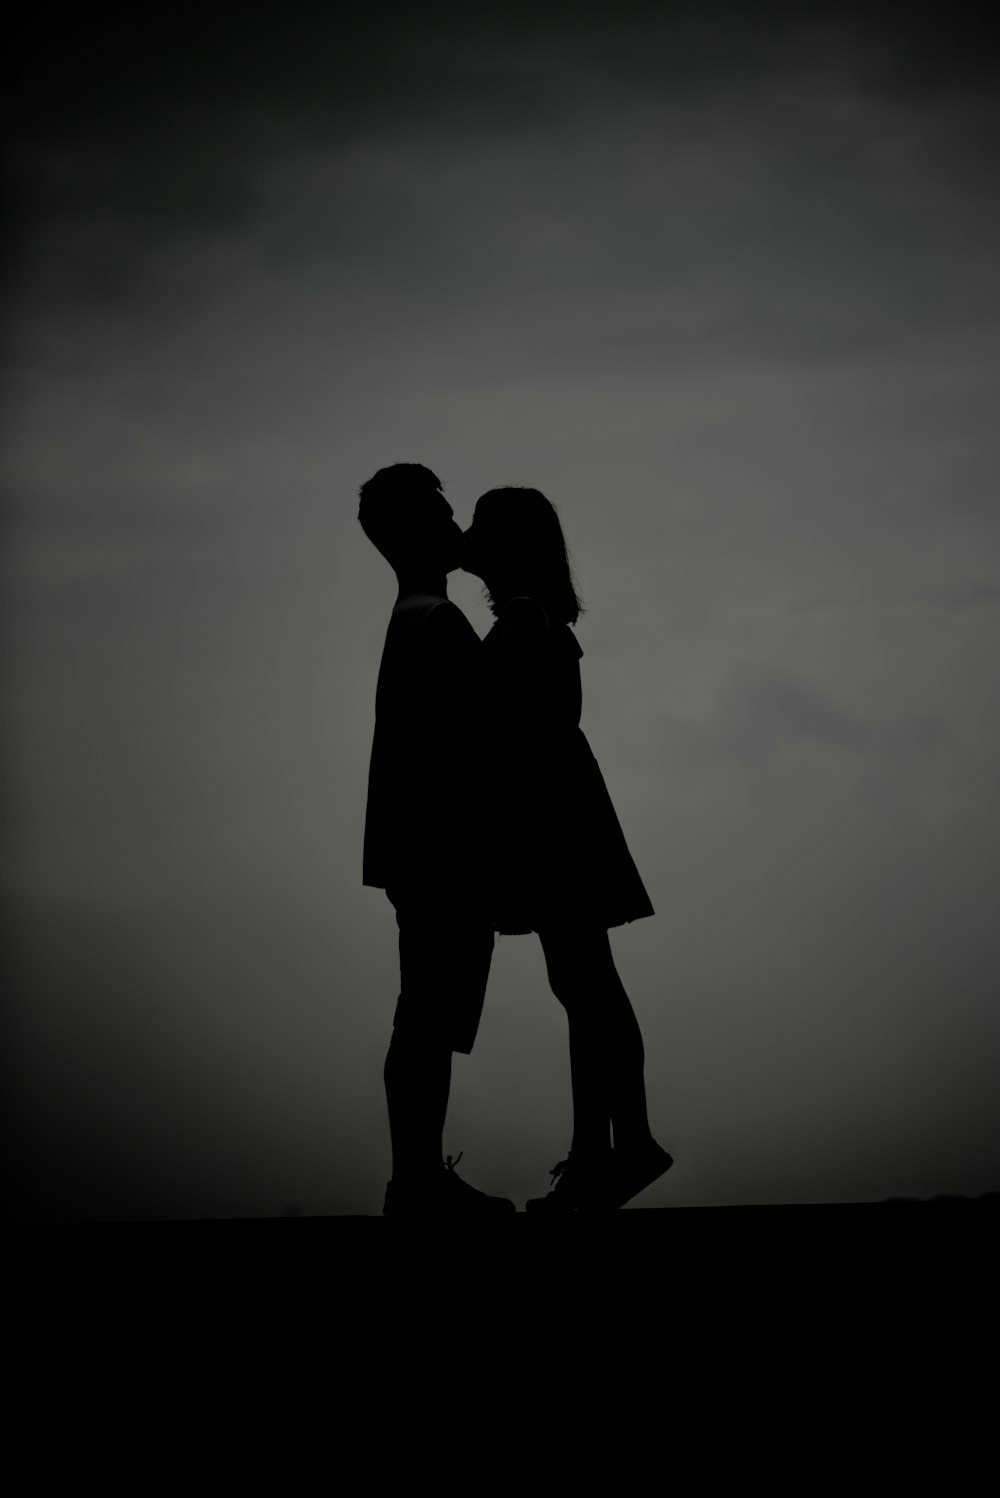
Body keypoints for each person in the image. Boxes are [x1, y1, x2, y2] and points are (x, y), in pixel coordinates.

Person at [461, 486, 673, 1212]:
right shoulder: (537, 616)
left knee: (585, 986)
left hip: (552, 817)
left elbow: (534, 719)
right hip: (557, 812)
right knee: (586, 984)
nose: (466, 536)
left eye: (479, 529)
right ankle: (614, 1149)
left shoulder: (525, 619)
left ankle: (610, 1152)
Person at [358, 463, 515, 1217]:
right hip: (440, 854)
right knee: (425, 1017)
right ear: (418, 530)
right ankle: (418, 1179)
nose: (458, 530)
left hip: (422, 851)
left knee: (423, 1015)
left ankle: (417, 1175)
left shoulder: (413, 616)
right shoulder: (436, 622)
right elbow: (475, 747)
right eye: (445, 518)